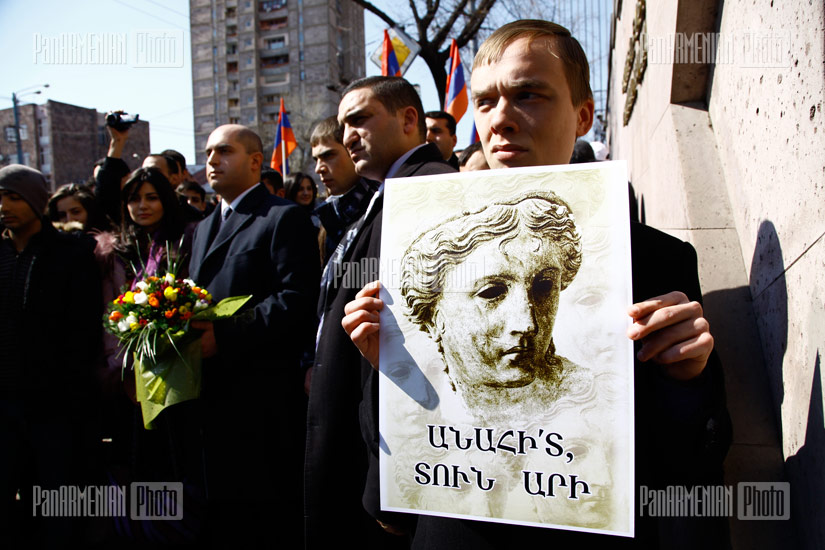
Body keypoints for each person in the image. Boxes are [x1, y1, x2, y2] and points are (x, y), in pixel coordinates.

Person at [343, 20, 731, 549]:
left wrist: (689, 378)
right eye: (484, 102)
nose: (500, 118)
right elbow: (395, 457)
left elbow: (694, 455)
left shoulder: (658, 259)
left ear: (583, 115)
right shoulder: (421, 245)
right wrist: (394, 369)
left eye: (528, 95)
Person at [304, 76, 454, 549]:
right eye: (344, 124)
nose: (348, 136)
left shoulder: (432, 189)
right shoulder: (390, 192)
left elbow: (426, 346)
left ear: (409, 119)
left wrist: (390, 485)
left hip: (384, 461)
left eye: (359, 119)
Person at [188, 124, 319, 544]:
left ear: (255, 161)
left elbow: (296, 301)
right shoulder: (203, 227)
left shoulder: (282, 217)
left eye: (223, 151)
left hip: (261, 397)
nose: (212, 160)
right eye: (208, 152)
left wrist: (222, 337)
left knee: (262, 512)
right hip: (210, 393)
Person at [400, 192, 586, 421]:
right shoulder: (410, 411)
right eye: (492, 293)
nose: (528, 324)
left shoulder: (594, 399)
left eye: (543, 287)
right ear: (433, 318)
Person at [0, 165, 102, 547]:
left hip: (54, 405)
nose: (4, 206)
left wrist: (66, 390)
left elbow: (83, 331)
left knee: (59, 505)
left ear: (37, 201)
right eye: (0, 196)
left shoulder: (70, 253)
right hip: (4, 402)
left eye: (13, 196)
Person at [310, 115, 379, 265]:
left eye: (328, 155)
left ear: (353, 150)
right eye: (316, 159)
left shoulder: (380, 207)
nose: (318, 169)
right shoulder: (331, 214)